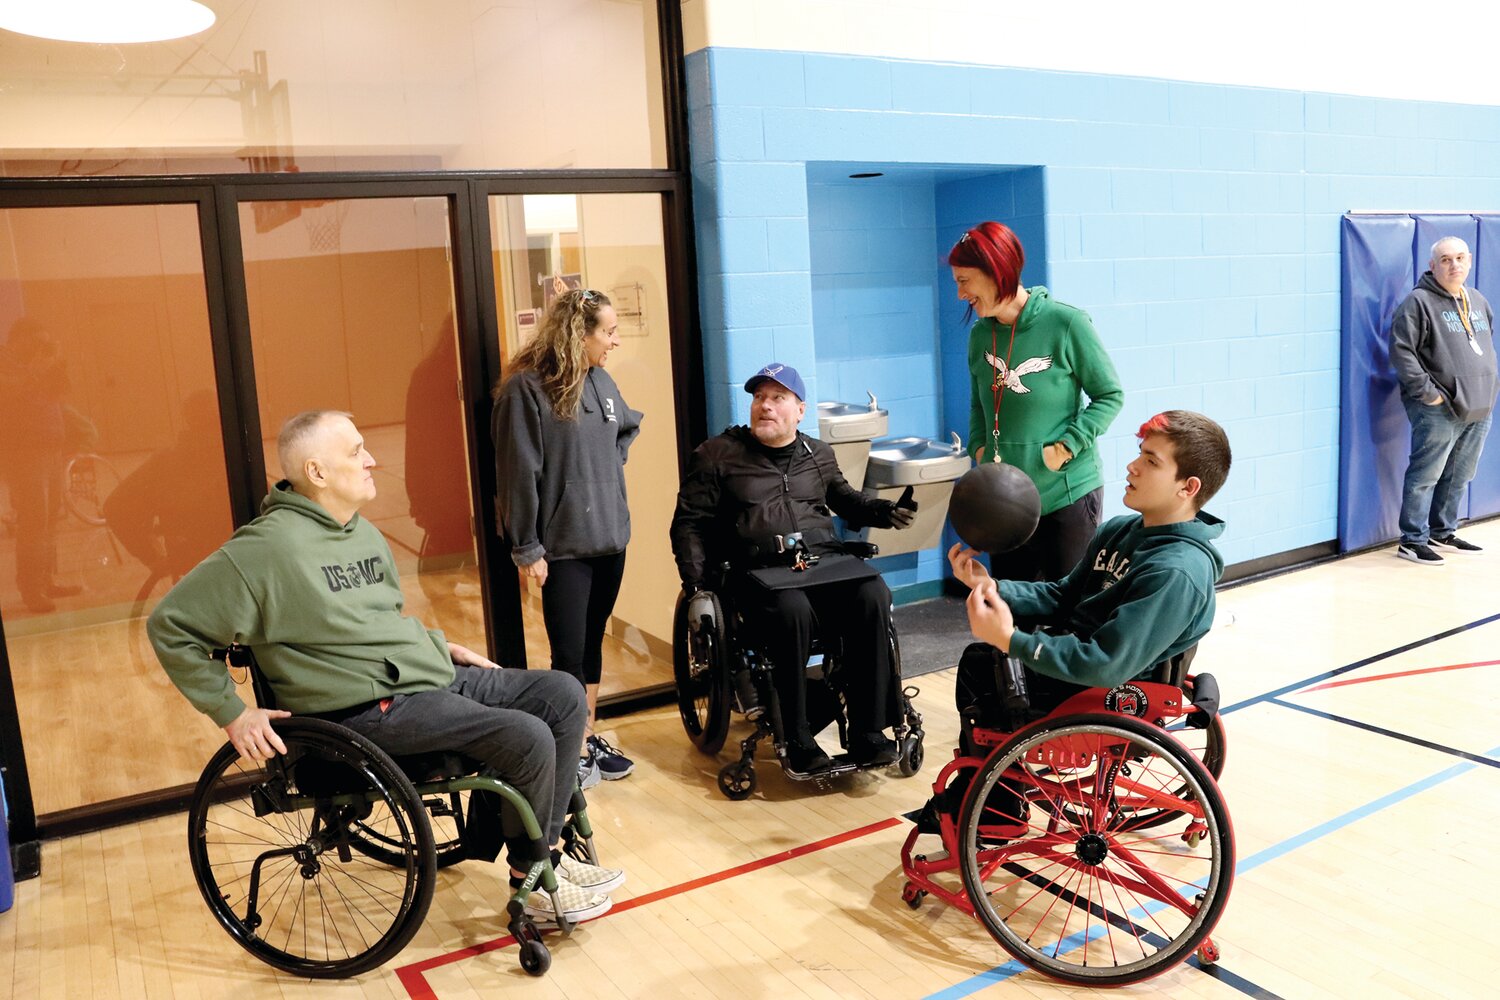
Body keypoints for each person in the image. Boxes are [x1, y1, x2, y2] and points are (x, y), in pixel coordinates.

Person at [148, 410, 624, 924]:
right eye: (356, 452)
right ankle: (531, 876)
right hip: (359, 710)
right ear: (317, 471)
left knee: (563, 694)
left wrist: (439, 647)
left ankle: (543, 852)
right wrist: (233, 714)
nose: (372, 459)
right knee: (526, 735)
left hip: (414, 679)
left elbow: (376, 622)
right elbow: (170, 625)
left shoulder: (360, 532)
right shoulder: (264, 551)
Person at [913, 410, 1230, 833]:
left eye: (1152, 462)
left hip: (1114, 688)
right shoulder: (1120, 530)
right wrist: (994, 586)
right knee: (988, 657)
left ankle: (996, 809)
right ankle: (991, 791)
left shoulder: (1176, 571)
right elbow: (1063, 595)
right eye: (1140, 454)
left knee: (983, 663)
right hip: (1084, 662)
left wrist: (1012, 640)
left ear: (1187, 487)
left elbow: (1107, 663)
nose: (1132, 466)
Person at [669, 362, 918, 774]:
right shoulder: (717, 456)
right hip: (756, 574)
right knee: (792, 610)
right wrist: (695, 586)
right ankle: (797, 737)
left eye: (777, 398)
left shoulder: (817, 454)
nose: (765, 406)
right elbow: (689, 523)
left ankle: (869, 732)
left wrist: (885, 510)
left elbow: (846, 499)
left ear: (800, 410)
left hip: (821, 564)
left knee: (873, 594)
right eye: (759, 398)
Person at [492, 288, 643, 786]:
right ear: (579, 334)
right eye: (609, 331)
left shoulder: (601, 380)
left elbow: (625, 428)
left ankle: (587, 737)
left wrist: (601, 477)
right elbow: (518, 472)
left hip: (609, 540)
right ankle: (569, 749)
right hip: (563, 549)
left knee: (592, 642)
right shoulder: (526, 390)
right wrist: (527, 547)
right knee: (568, 654)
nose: (615, 341)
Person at [949, 222, 1124, 583]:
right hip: (1005, 501)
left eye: (964, 280)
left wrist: (1066, 446)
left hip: (1066, 493)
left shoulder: (1067, 323)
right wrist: (978, 448)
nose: (960, 293)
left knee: (1070, 612)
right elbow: (978, 406)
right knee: (1015, 611)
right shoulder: (980, 335)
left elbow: (1110, 395)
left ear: (996, 270)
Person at [1389, 236, 1497, 566]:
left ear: (1470, 261)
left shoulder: (1476, 299)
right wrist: (1429, 393)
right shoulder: (1418, 302)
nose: (1454, 265)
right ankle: (1412, 539)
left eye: (1460, 258)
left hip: (1478, 406)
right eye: (1446, 259)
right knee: (1427, 474)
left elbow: (1485, 341)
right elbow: (1401, 351)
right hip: (1439, 407)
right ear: (1432, 265)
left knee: (1460, 473)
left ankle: (1442, 530)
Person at [0, 317, 81, 614]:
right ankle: (31, 589)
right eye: (36, 341)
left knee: (49, 520)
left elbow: (62, 391)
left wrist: (57, 363)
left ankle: (47, 581)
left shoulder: (38, 363)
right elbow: (8, 394)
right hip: (24, 452)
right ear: (19, 339)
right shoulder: (4, 361)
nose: (39, 347)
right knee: (34, 521)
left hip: (51, 449)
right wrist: (37, 370)